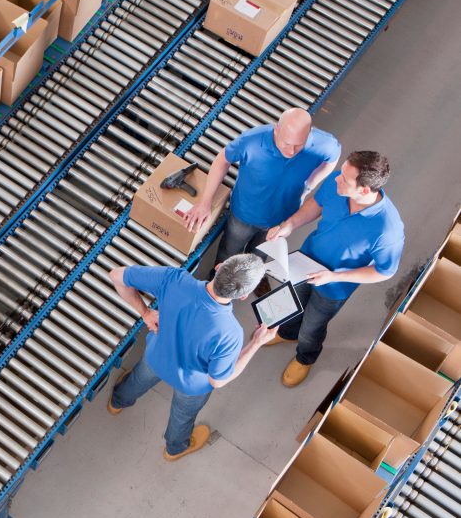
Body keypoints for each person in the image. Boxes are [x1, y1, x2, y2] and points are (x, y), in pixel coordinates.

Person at [106, 254, 277, 461]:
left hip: (157, 357)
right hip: (191, 385)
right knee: (182, 416)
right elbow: (218, 380)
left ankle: (118, 402)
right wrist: (256, 343)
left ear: (219, 266)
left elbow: (116, 276)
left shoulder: (174, 279)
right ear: (243, 295)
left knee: (137, 379)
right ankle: (174, 449)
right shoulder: (230, 333)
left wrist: (145, 313)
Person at [265, 150, 405, 387]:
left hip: (334, 286)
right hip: (304, 260)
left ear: (363, 190)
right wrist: (289, 225)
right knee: (290, 302)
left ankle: (305, 356)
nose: (336, 178)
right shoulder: (337, 183)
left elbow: (385, 271)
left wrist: (334, 276)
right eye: (341, 173)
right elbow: (316, 205)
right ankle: (287, 333)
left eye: (344, 179)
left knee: (312, 326)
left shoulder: (387, 230)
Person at [183, 108, 341, 267]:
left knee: (259, 256)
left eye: (299, 144)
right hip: (243, 215)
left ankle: (252, 278)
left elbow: (333, 158)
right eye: (286, 143)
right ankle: (220, 282)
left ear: (309, 133)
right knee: (229, 253)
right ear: (276, 129)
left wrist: (309, 186)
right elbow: (222, 160)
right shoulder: (252, 141)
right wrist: (205, 203)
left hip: (281, 220)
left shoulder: (323, 144)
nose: (292, 151)